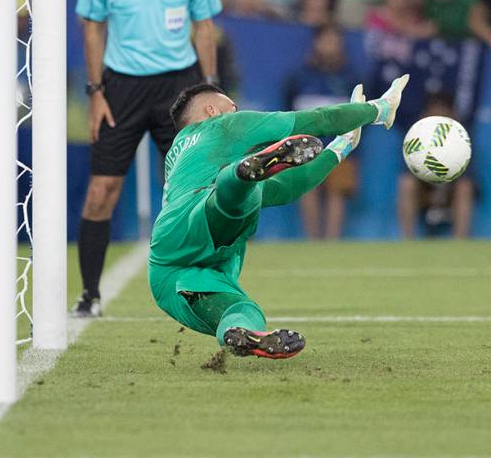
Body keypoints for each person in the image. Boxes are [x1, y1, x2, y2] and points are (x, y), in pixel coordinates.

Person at [149, 74, 409, 358]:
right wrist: (378, 109)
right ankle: (240, 176)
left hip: (166, 269)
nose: (237, 112)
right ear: (211, 111)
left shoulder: (178, 157)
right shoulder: (225, 125)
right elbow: (318, 119)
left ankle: (242, 335)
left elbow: (288, 187)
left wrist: (342, 145)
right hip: (202, 218)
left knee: (242, 310)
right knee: (232, 193)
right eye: (232, 106)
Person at [72, 0, 222, 317]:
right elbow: (92, 25)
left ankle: (201, 288)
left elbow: (205, 27)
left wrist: (209, 90)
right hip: (121, 87)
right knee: (102, 190)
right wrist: (96, 92)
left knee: (190, 191)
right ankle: (90, 294)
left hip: (180, 85)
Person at [285, 24, 360, 239]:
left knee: (337, 192)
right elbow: (289, 111)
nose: (330, 46)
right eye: (326, 40)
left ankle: (332, 242)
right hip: (305, 144)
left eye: (335, 41)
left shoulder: (350, 78)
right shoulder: (299, 77)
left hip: (341, 142)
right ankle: (313, 240)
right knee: (307, 190)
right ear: (316, 43)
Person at [397, 94, 475, 239]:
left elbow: (466, 176)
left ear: (453, 115)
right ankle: (407, 240)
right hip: (424, 188)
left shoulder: (460, 139)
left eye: (443, 113)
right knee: (406, 184)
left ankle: (460, 241)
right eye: (433, 113)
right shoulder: (416, 138)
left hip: (450, 189)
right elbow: (411, 171)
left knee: (465, 187)